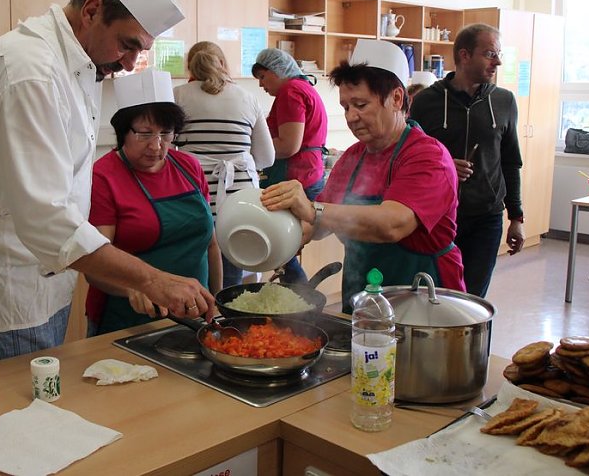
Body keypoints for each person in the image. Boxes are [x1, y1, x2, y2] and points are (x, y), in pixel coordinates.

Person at [0, 0, 215, 360]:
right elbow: (46, 216)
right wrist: (151, 280)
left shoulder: (78, 67)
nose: (129, 63)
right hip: (2, 280)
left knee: (41, 389)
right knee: (18, 397)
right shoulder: (29, 70)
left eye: (140, 51)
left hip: (40, 276)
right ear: (92, 11)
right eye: (127, 44)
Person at [261, 40, 465, 313]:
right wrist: (283, 239)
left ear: (396, 99)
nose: (351, 117)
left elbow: (392, 224)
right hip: (363, 295)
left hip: (422, 296)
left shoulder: (428, 156)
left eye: (360, 104)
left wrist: (312, 209)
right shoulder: (353, 157)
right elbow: (318, 223)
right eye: (346, 107)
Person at [86, 69, 221, 335]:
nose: (157, 146)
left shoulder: (189, 167)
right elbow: (94, 266)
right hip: (129, 320)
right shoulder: (104, 176)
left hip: (196, 315)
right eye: (145, 134)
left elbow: (211, 244)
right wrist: (135, 287)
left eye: (166, 133)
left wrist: (217, 302)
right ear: (123, 132)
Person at [409, 23, 525, 298]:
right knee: (435, 297)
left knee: (472, 301)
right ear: (464, 55)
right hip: (436, 219)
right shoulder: (425, 102)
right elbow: (410, 159)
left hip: (487, 218)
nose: (497, 62)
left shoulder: (505, 101)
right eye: (490, 54)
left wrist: (516, 216)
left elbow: (510, 162)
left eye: (498, 54)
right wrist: (445, 165)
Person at [173, 41, 274, 288]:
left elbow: (165, 149)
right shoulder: (248, 98)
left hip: (195, 196)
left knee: (195, 276)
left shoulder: (177, 96)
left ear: (190, 67)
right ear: (223, 64)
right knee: (231, 280)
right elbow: (266, 157)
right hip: (238, 201)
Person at [251, 48, 328, 283]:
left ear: (276, 70)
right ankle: (298, 294)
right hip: (309, 172)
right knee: (286, 249)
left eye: (263, 77)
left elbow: (288, 145)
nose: (261, 85)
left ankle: (301, 296)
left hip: (297, 176)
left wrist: (251, 151)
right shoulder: (303, 88)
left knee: (282, 247)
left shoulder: (290, 91)